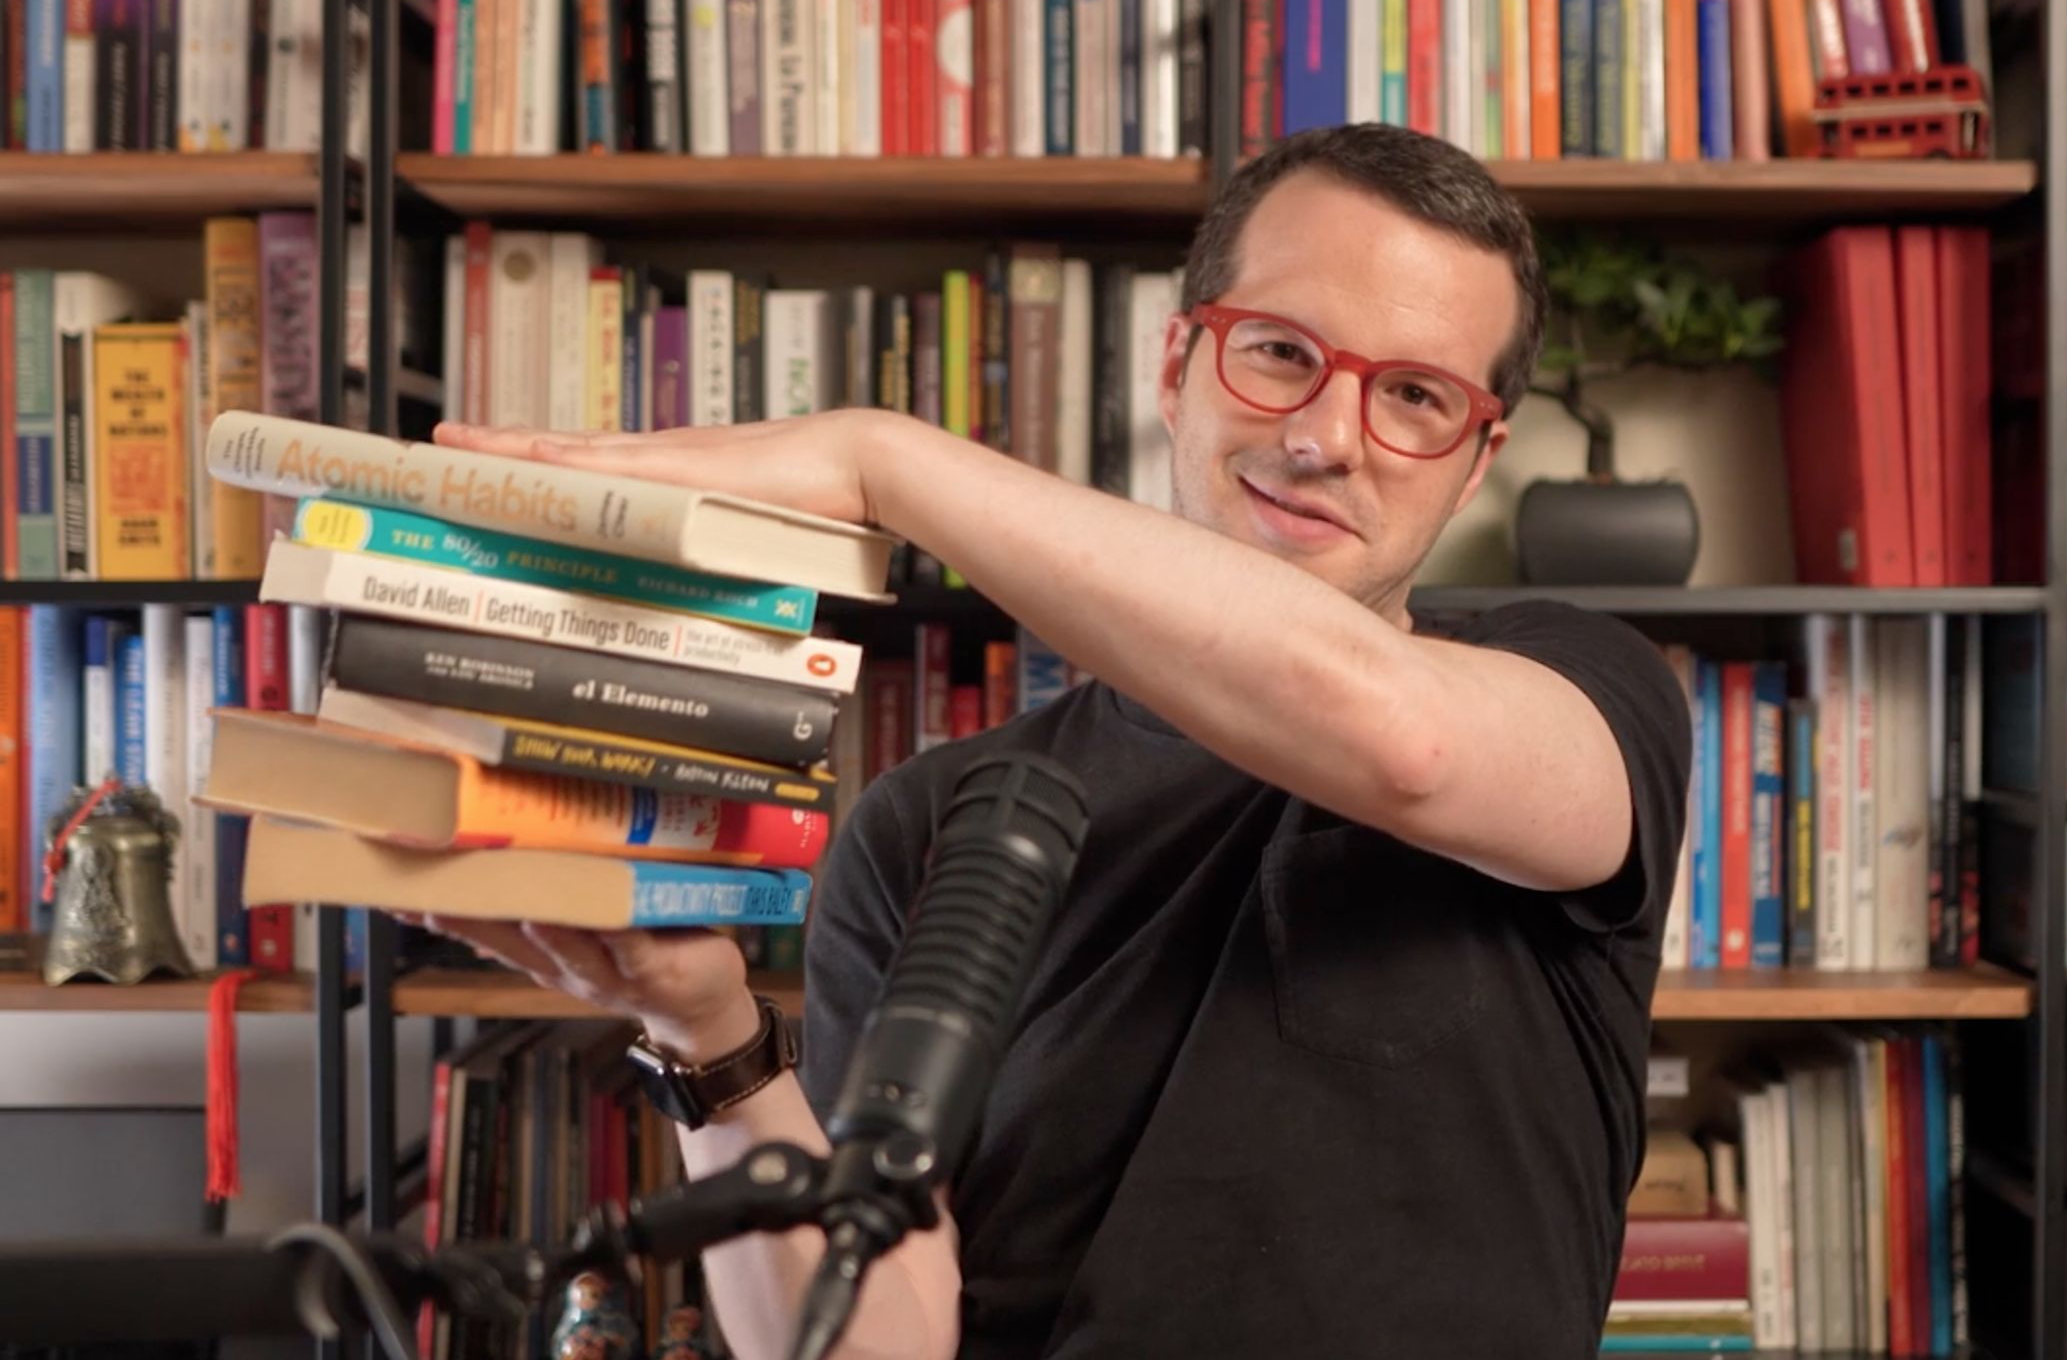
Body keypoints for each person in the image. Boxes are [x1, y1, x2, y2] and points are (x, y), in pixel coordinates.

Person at [418, 122, 1694, 1360]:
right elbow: (875, 1343)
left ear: (1475, 464)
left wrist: (881, 461)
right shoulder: (933, 821)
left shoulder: (1583, 690)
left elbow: (1397, 735)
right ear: (1175, 366)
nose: (1324, 437)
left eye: (1413, 395)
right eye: (1278, 351)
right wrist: (711, 1041)